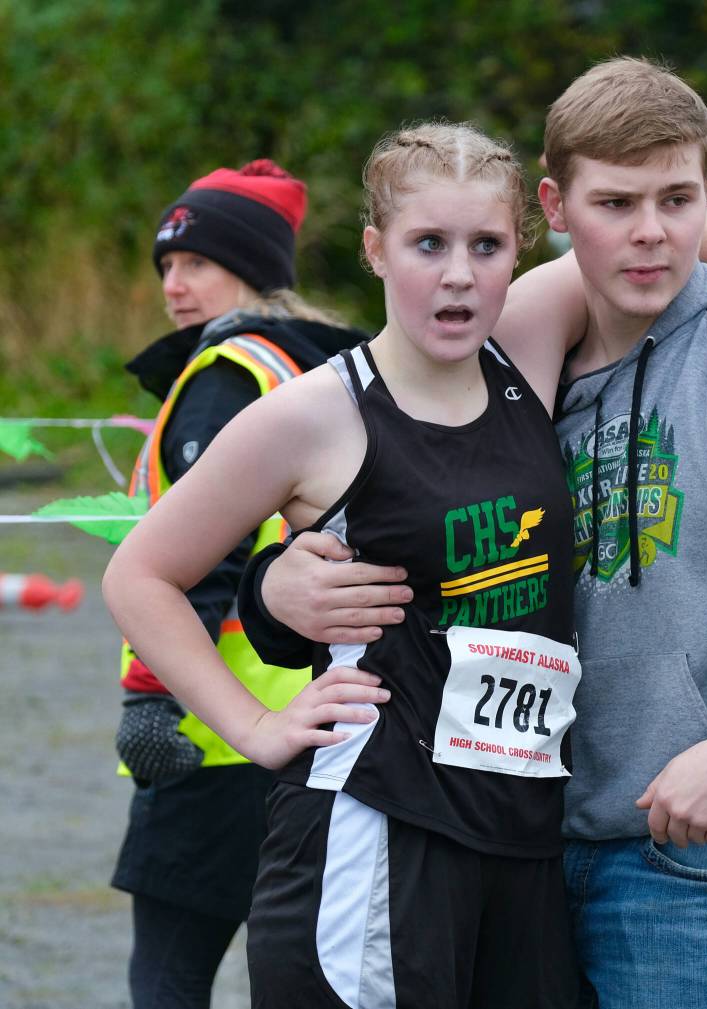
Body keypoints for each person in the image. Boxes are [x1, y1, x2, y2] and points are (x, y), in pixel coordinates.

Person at [240, 59, 707, 1009]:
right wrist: (271, 590)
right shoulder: (514, 346)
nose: (650, 231)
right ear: (559, 211)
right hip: (527, 843)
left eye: (677, 202)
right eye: (616, 205)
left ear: (706, 200)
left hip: (706, 864)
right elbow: (404, 529)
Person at [106, 122, 592, 1008]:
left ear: (522, 247)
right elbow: (138, 576)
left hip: (521, 836)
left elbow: (673, 205)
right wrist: (255, 727)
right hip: (375, 832)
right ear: (375, 250)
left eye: (486, 245)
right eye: (428, 244)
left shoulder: (525, 352)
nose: (458, 274)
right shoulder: (314, 413)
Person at [109, 159, 371, 1009]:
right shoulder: (316, 366)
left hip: (211, 726)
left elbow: (200, 556)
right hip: (313, 719)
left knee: (168, 979)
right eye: (165, 268)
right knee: (296, 972)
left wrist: (149, 696)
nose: (175, 286)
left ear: (252, 269)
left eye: (196, 264)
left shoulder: (226, 374)